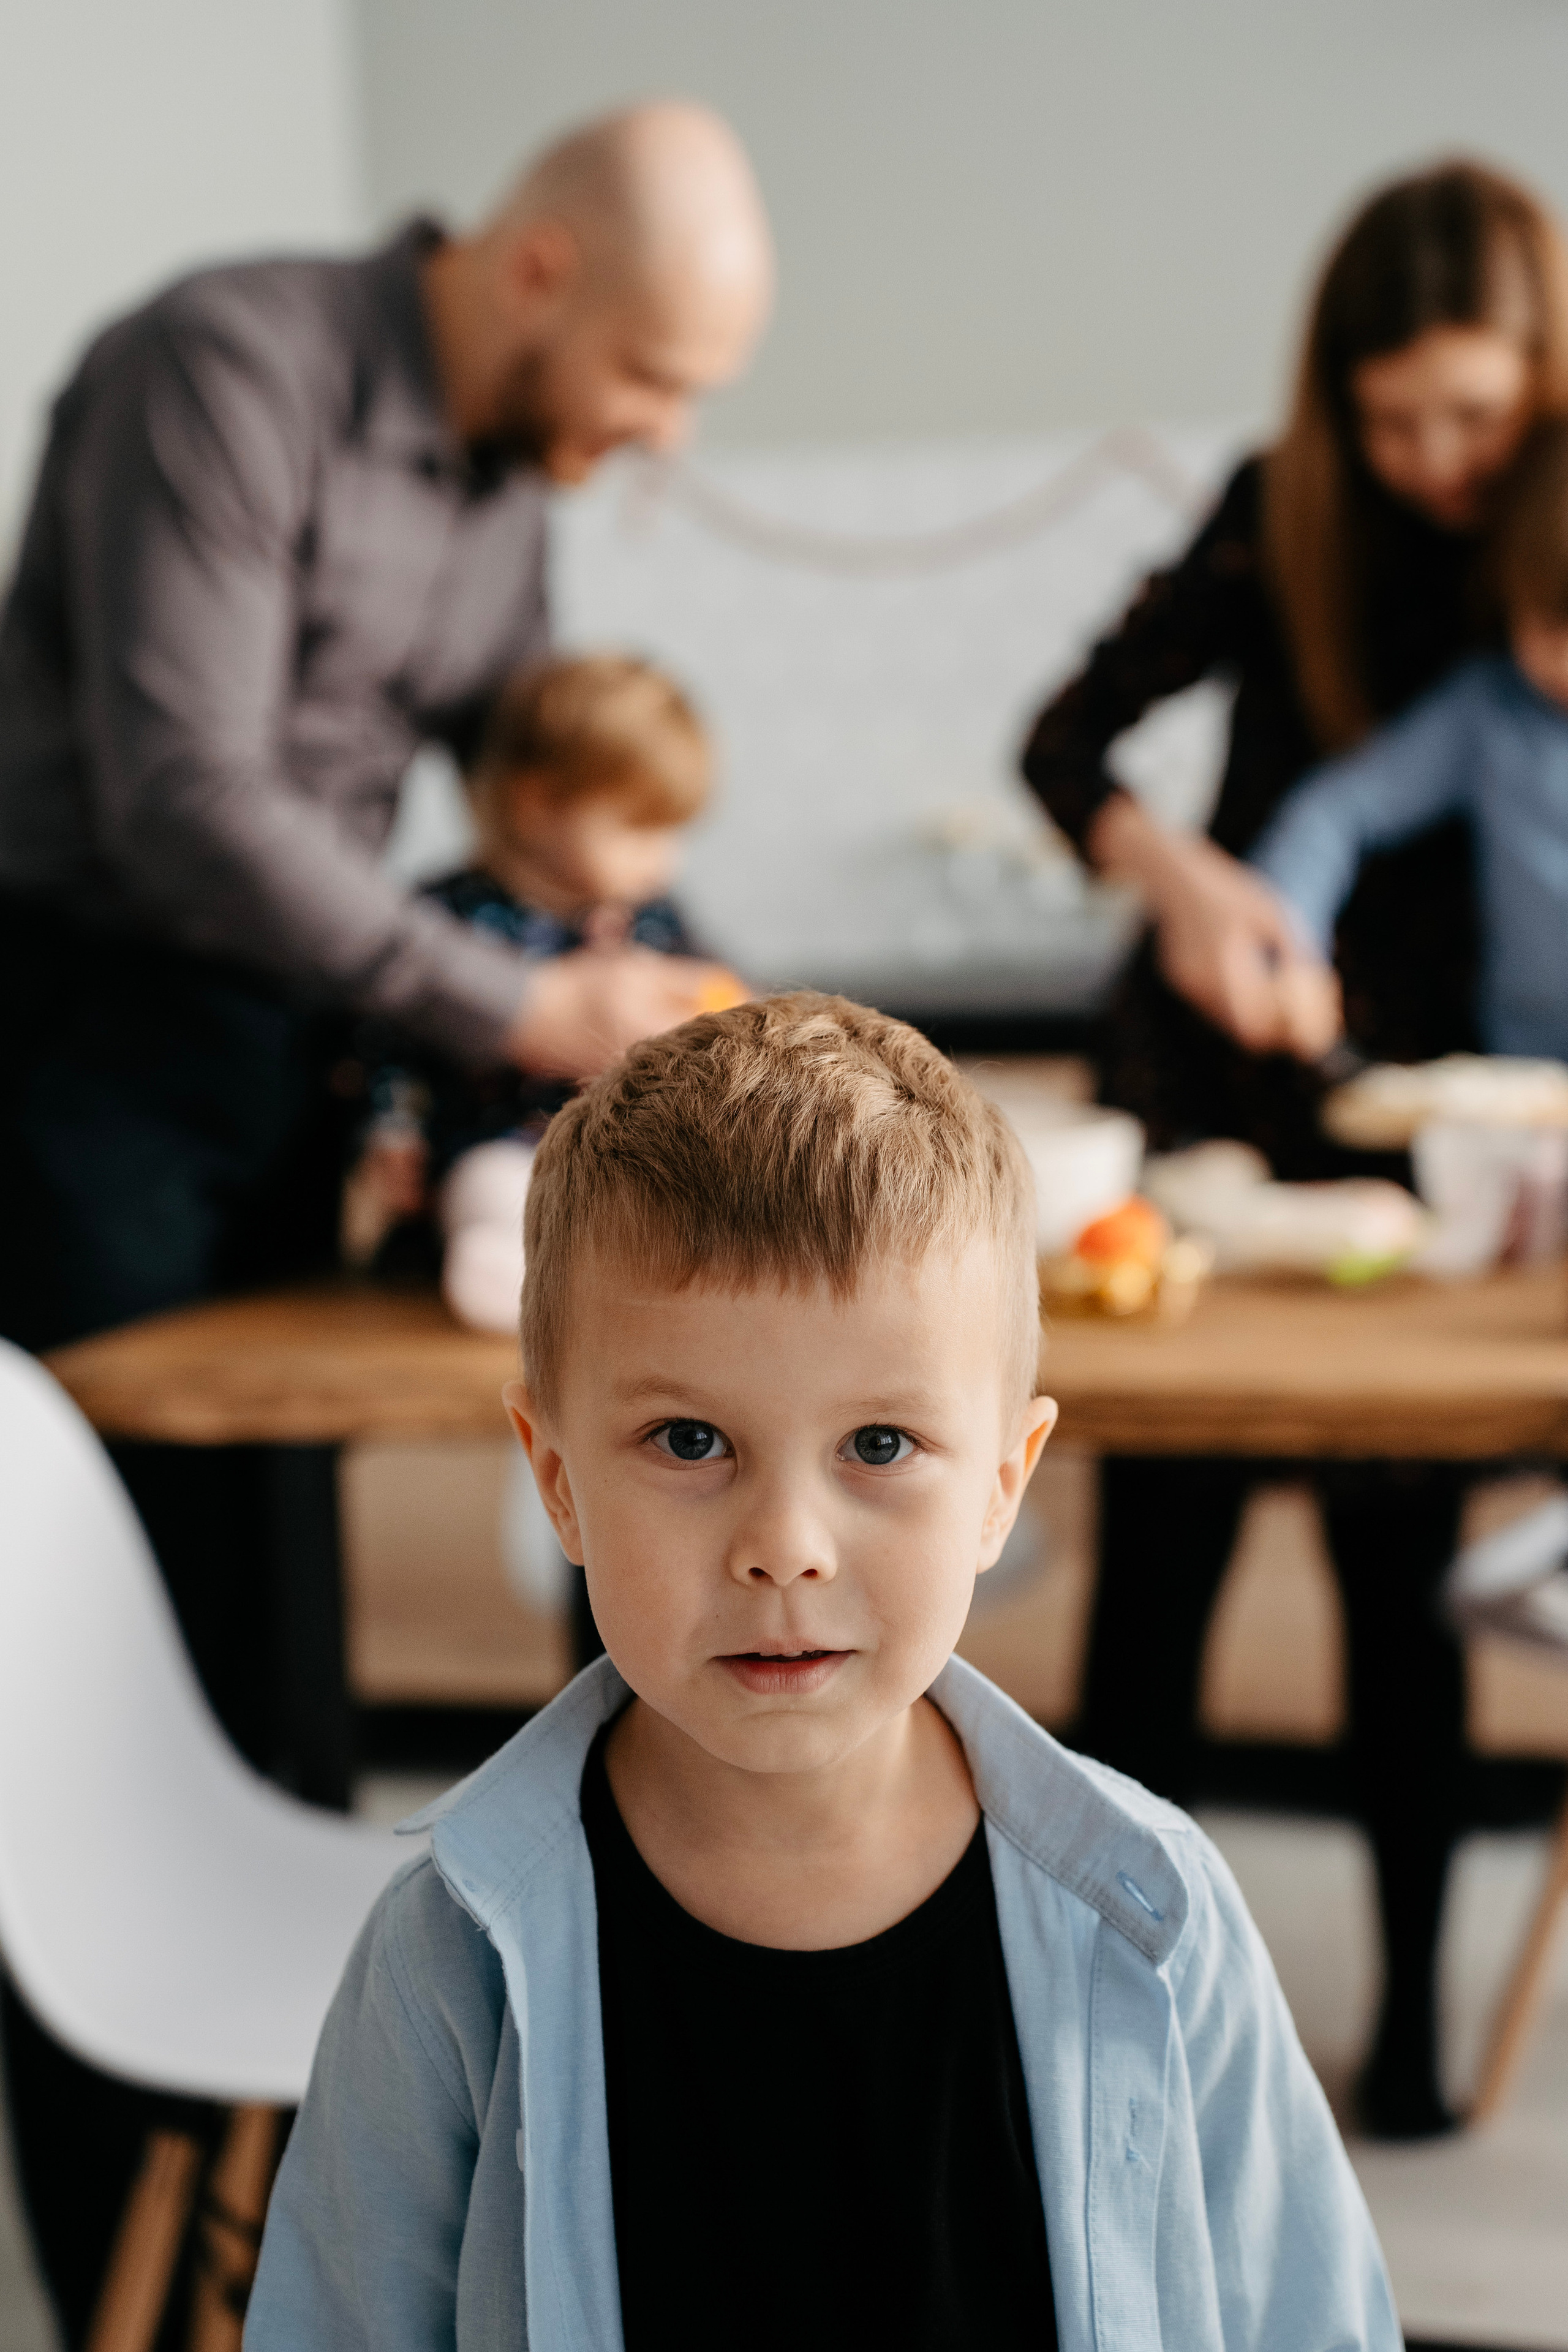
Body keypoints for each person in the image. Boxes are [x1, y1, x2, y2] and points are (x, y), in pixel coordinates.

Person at [0, 102, 772, 2344]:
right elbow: (189, 799)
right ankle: (123, 2283)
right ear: (533, 272)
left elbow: (503, 793)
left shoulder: (509, 490)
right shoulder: (223, 373)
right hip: (84, 1060)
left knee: (279, 1671)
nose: (651, 439)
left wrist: (612, 939)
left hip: (282, 1068)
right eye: (650, 379)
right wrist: (522, 990)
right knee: (107, 1721)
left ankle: (318, 2247)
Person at [247, 992, 1400, 2352]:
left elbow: (1310, 2325)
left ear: (1001, 1486)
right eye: (687, 1442)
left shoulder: (1148, 1914)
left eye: (877, 1446)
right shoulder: (447, 1959)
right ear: (556, 1482)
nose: (782, 1551)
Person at [1019, 159, 1568, 2136]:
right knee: (1153, 1588)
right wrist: (1180, 878)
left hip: (1427, 1140)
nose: (1432, 458)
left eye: (1475, 416)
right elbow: (1064, 740)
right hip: (1210, 1107)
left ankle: (1410, 2028)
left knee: (1392, 1577)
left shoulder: (1555, 529)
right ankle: (1105, 2034)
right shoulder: (1279, 515)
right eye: (1390, 415)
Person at [344, 649, 726, 1311]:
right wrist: (390, 1131)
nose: (664, 860)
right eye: (639, 830)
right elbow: (389, 1042)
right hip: (502, 1144)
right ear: (538, 807)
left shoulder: (653, 918)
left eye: (673, 833)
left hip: (626, 1154)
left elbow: (718, 994)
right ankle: (506, 1274)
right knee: (494, 1189)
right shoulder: (445, 920)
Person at [1251, 415, 1568, 1061]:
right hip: (1525, 1080)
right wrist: (1289, 945)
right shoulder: (1489, 711)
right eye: (1548, 622)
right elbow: (1336, 812)